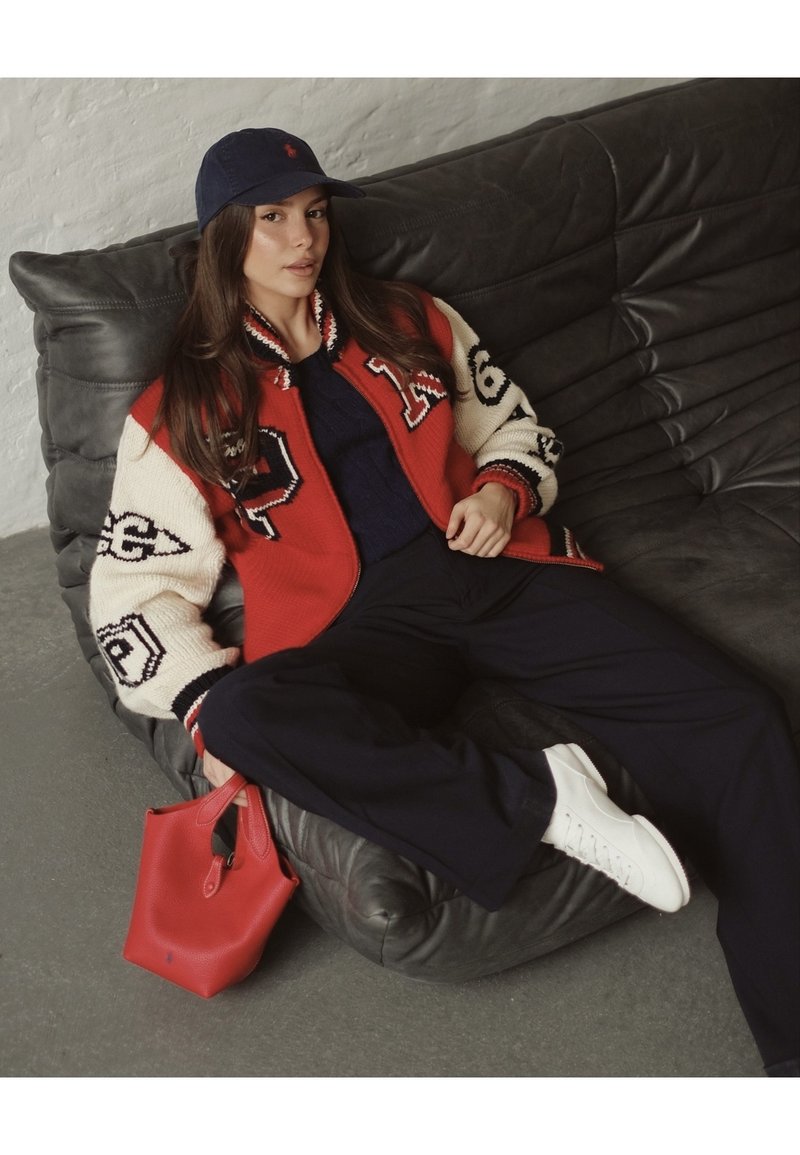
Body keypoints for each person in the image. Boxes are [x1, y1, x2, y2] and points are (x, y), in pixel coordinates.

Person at [89, 127, 799, 1076]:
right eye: (271, 220)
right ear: (225, 238)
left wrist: (504, 487)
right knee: (242, 713)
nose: (303, 239)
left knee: (740, 717)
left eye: (313, 213)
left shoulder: (409, 317)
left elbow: (513, 423)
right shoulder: (180, 407)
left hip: (498, 569)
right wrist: (194, 690)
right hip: (358, 627)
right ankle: (542, 797)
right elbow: (132, 596)